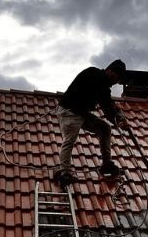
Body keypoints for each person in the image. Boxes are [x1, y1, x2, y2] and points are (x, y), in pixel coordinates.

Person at [53, 59, 129, 187]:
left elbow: (108, 103)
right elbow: (106, 105)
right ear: (110, 71)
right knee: (69, 140)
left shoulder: (103, 83)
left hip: (81, 112)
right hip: (69, 111)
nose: (116, 82)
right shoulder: (95, 76)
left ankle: (106, 164)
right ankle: (64, 172)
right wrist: (117, 119)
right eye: (117, 78)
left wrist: (118, 118)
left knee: (104, 128)